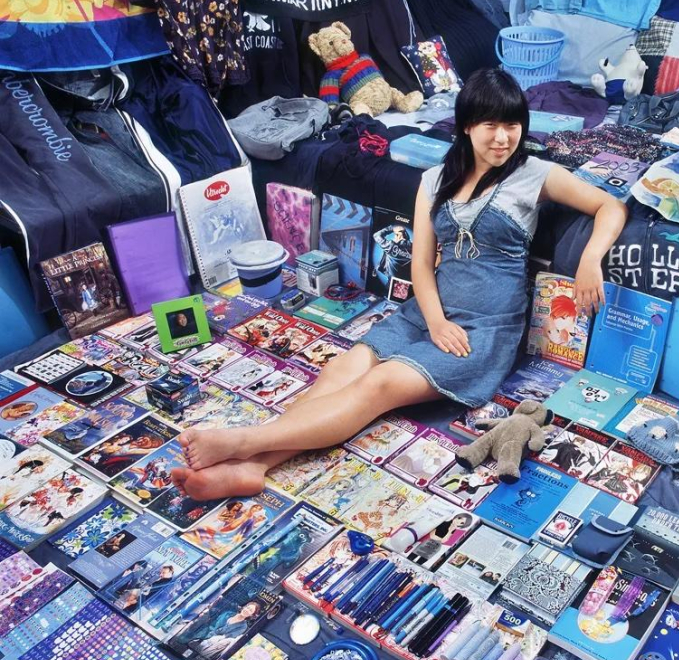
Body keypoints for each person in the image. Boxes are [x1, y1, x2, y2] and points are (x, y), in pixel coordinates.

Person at [171, 69, 627, 500]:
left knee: (379, 385)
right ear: (467, 126)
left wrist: (590, 259)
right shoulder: (435, 179)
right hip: (426, 314)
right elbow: (422, 266)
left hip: (484, 330)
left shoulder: (535, 175)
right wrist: (434, 320)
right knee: (341, 369)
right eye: (490, 125)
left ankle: (245, 444)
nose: (503, 137)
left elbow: (611, 207)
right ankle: (255, 467)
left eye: (513, 125)